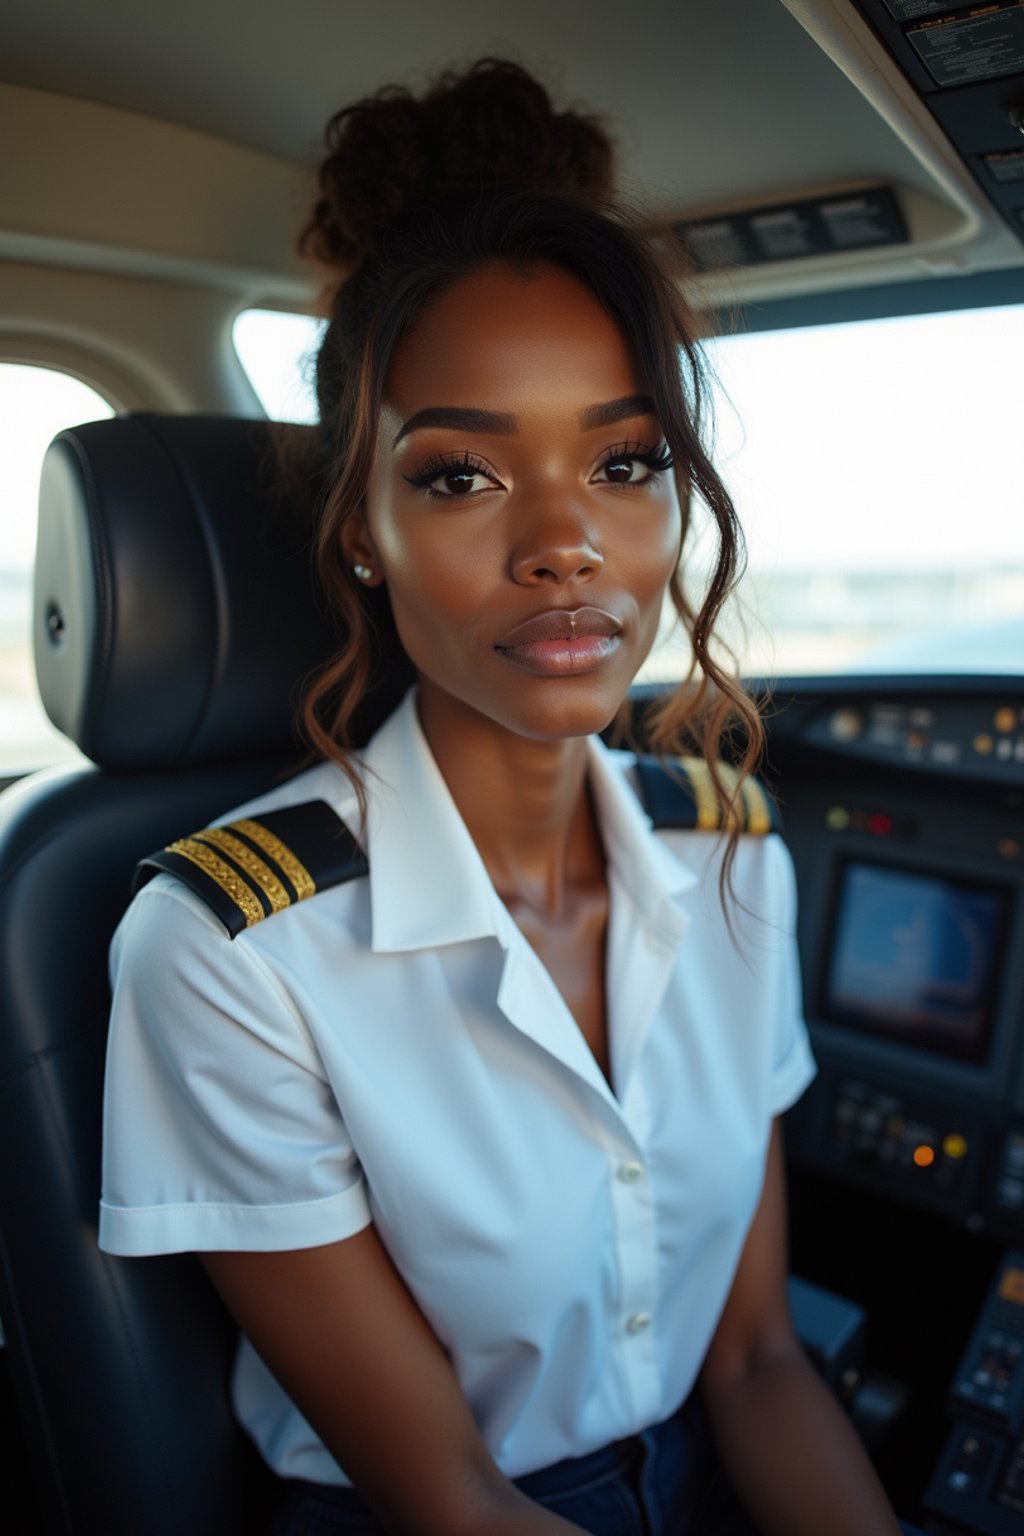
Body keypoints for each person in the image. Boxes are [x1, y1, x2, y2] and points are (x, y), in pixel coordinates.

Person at [99, 60, 922, 1536]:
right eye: (464, 477)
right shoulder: (226, 950)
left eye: (622, 461)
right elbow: (449, 1494)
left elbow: (755, 1361)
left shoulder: (734, 858)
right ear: (361, 526)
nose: (565, 544)